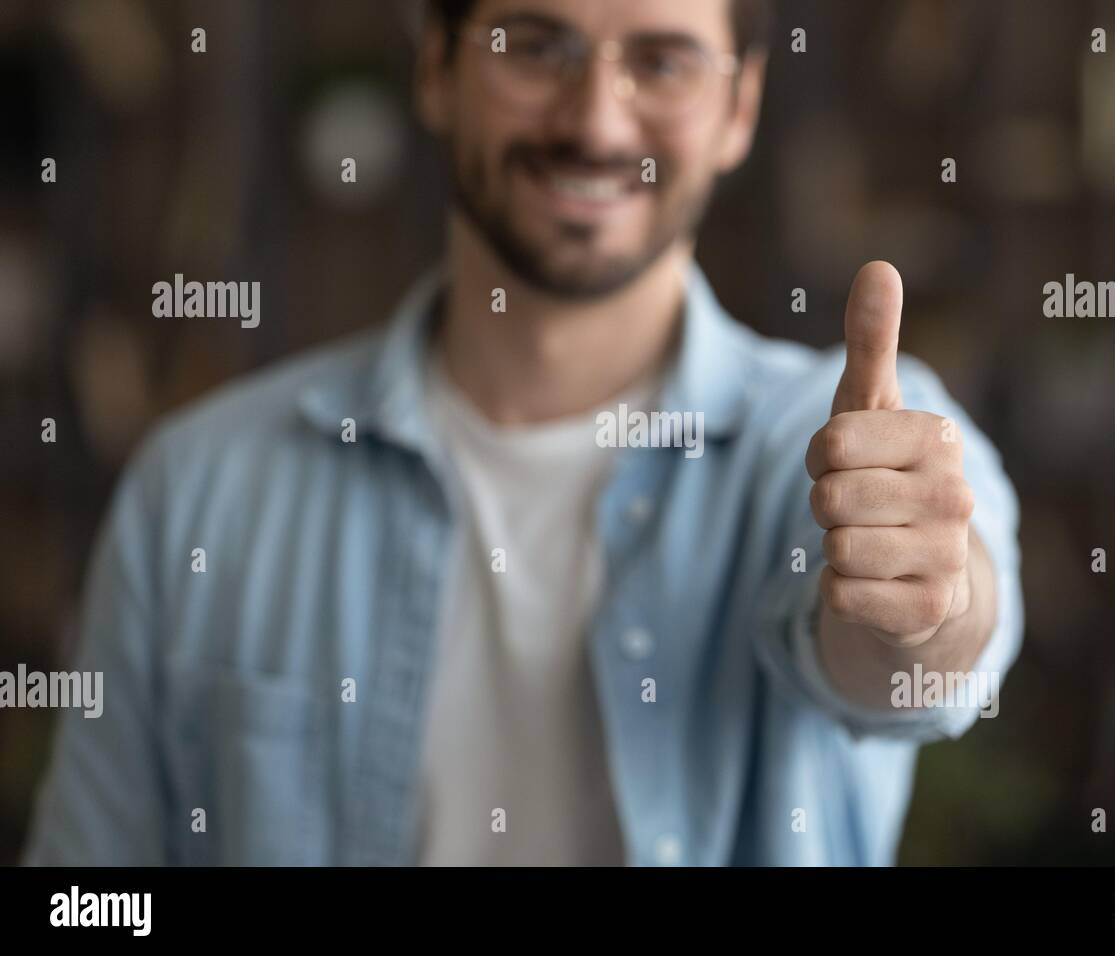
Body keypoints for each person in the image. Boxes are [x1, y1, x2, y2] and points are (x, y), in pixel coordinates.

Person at [24, 0, 1022, 866]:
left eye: (662, 61)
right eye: (536, 46)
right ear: (436, 69)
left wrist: (919, 608)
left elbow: (912, 661)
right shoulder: (198, 488)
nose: (595, 121)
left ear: (739, 107)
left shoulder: (848, 443)